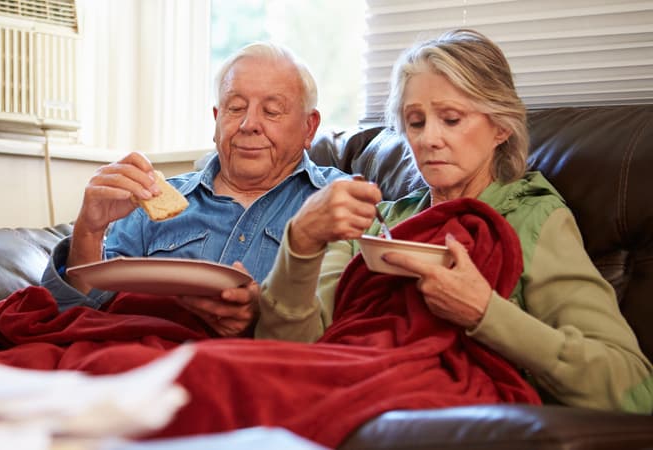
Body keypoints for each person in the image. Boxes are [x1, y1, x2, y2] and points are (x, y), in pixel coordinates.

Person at [255, 29, 653, 413]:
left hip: (433, 411)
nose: (429, 139)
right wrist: (301, 241)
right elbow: (287, 351)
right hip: (341, 388)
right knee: (211, 366)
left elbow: (631, 387)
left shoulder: (531, 218)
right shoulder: (373, 224)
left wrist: (485, 313)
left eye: (451, 119)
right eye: (415, 122)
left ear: (500, 127)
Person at [40, 42, 346, 337]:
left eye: (272, 110)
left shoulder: (338, 202)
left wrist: (263, 314)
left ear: (309, 127)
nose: (248, 124)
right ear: (216, 120)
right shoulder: (151, 198)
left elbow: (346, 324)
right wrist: (89, 232)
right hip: (140, 360)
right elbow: (74, 314)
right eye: (236, 108)